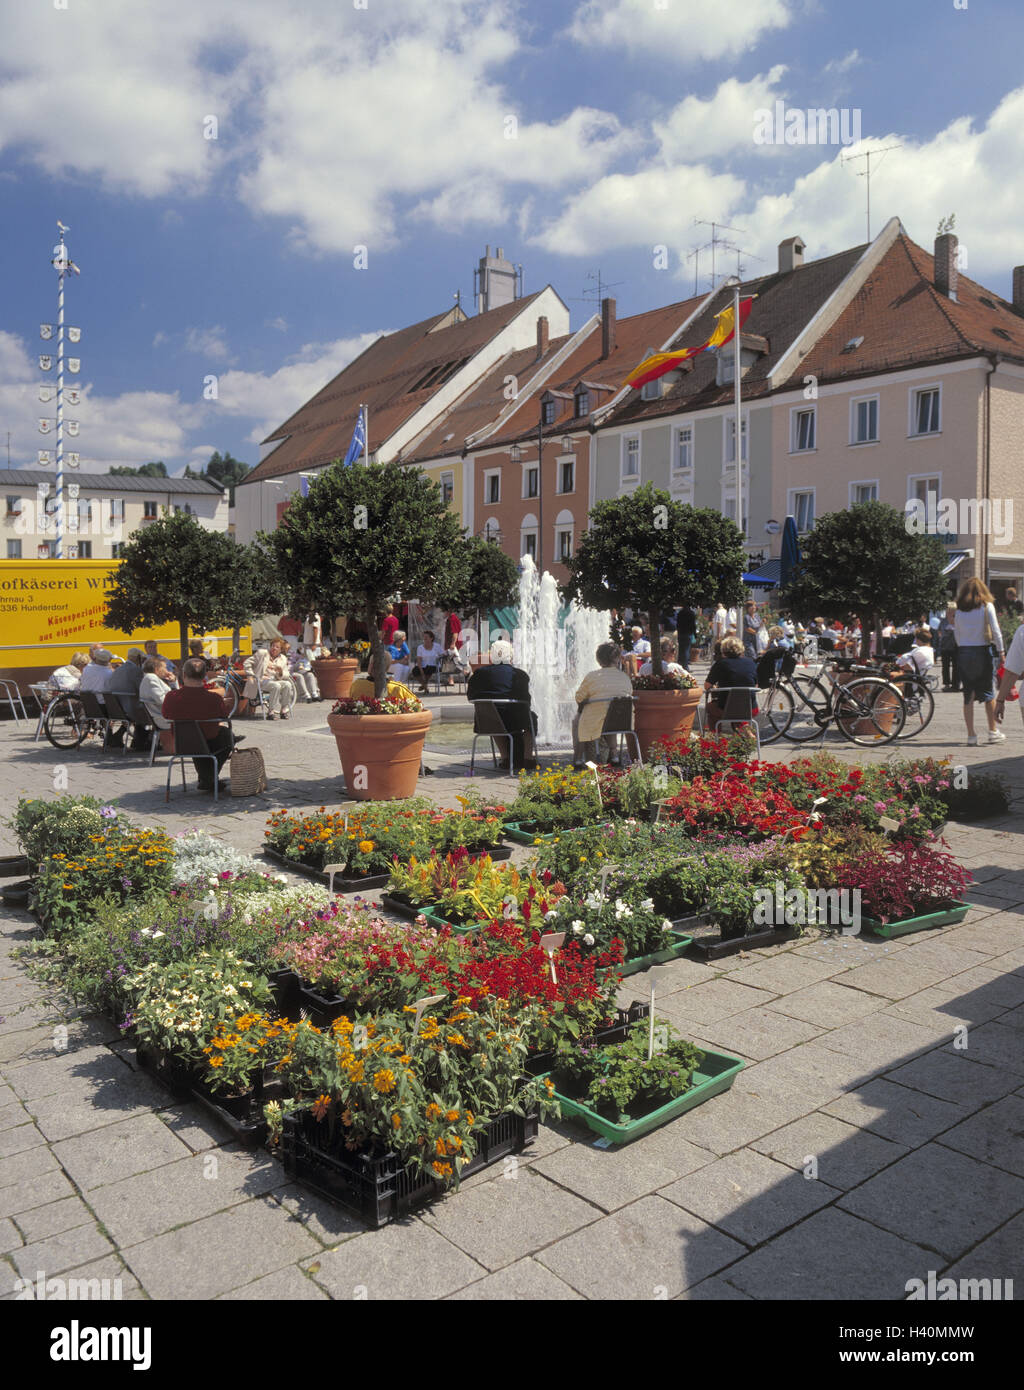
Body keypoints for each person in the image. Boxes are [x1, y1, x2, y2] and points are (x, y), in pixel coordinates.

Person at [161, 658, 235, 793]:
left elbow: (165, 715)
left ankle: (207, 778)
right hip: (209, 740)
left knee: (201, 737)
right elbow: (224, 715)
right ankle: (208, 778)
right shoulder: (214, 698)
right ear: (204, 676)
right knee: (227, 736)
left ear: (183, 675)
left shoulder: (171, 696)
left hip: (182, 742)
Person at [466, 639, 537, 771]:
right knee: (531, 717)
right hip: (516, 721)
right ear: (510, 656)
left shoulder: (479, 674)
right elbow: (526, 700)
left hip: (487, 722)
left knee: (492, 714)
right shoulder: (520, 675)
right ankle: (528, 758)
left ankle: (505, 758)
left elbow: (470, 697)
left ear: (492, 656)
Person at [953, 577, 1006, 746]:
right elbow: (996, 631)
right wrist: (1001, 651)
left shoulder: (960, 610)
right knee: (988, 692)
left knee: (968, 694)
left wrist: (962, 647)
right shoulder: (986, 606)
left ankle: (971, 735)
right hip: (982, 651)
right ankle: (992, 731)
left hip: (964, 651)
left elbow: (957, 634)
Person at [572, 641, 634, 767]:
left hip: (596, 721)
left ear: (599, 660)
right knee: (610, 714)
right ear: (617, 659)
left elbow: (579, 697)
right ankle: (614, 755)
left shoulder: (592, 676)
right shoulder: (624, 677)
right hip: (623, 722)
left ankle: (578, 759)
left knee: (577, 720)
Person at [705, 634, 759, 733]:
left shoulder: (720, 664)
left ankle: (716, 739)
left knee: (710, 708)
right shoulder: (751, 663)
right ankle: (746, 732)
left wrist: (717, 687)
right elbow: (756, 686)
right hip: (751, 708)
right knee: (737, 710)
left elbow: (707, 686)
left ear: (723, 651)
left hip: (727, 709)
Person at [106, 646, 150, 750]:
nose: (143, 662)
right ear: (137, 658)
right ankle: (143, 741)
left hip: (118, 708)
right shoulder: (135, 670)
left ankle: (134, 739)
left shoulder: (118, 669)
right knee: (152, 709)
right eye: (142, 660)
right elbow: (142, 689)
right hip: (132, 709)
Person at [249, 639, 298, 720]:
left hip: (275, 679)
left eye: (277, 647)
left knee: (288, 684)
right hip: (262, 681)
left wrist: (281, 672)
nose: (274, 648)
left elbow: (287, 674)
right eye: (272, 646)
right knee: (276, 685)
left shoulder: (283, 658)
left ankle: (283, 710)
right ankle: (271, 712)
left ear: (281, 649)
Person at [350, 651, 416, 702]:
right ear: (388, 667)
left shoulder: (356, 686)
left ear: (371, 666)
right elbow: (418, 705)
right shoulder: (398, 689)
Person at [938, 606, 959, 691]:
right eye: (948, 611)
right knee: (945, 667)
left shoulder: (958, 621)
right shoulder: (943, 622)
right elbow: (939, 632)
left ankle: (955, 685)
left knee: (956, 666)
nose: (950, 613)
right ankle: (946, 684)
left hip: (956, 646)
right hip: (945, 646)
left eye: (952, 611)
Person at [674, 605, 697, 670]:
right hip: (688, 633)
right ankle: (685, 666)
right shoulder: (691, 613)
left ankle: (680, 666)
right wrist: (695, 634)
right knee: (686, 650)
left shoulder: (680, 613)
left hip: (681, 633)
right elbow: (693, 625)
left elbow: (677, 624)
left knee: (681, 650)